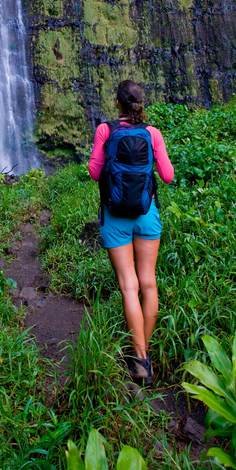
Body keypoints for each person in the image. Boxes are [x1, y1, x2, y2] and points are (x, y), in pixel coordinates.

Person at [88, 80, 174, 386]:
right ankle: (143, 354)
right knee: (148, 283)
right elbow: (167, 175)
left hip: (115, 215)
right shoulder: (153, 133)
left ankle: (139, 358)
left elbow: (95, 172)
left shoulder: (106, 130)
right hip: (146, 213)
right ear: (141, 102)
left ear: (118, 103)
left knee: (129, 286)